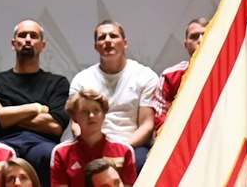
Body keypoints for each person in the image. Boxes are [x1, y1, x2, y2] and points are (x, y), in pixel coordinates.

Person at [58, 23, 157, 169]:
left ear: (125, 43)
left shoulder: (145, 76)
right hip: (90, 144)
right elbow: (76, 124)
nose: (108, 40)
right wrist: (90, 149)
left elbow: (147, 125)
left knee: (141, 163)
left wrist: (119, 150)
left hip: (131, 144)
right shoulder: (81, 79)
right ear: (96, 46)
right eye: (102, 37)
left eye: (113, 36)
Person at [0, 20, 67, 183]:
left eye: (33, 36)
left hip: (42, 144)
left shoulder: (57, 83)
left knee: (49, 155)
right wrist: (36, 108)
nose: (28, 40)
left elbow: (55, 126)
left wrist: (8, 115)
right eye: (22, 35)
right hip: (4, 143)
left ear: (43, 45)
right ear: (13, 44)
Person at [49, 89, 136, 187]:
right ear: (74, 118)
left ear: (104, 115)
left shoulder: (124, 150)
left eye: (96, 110)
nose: (91, 116)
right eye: (84, 112)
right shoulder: (61, 153)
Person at [155, 19, 209, 130]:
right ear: (186, 45)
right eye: (194, 37)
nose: (201, 40)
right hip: (180, 139)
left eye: (206, 34)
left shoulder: (231, 71)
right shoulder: (170, 77)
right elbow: (161, 120)